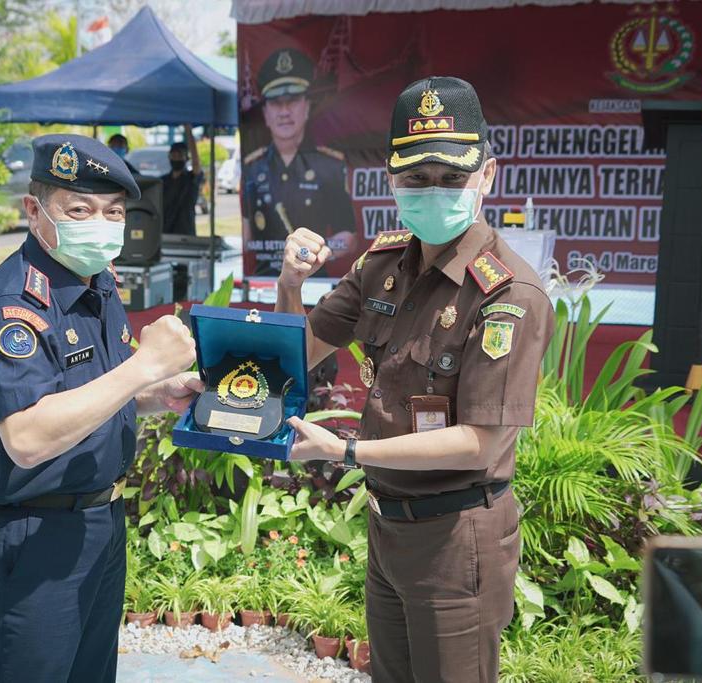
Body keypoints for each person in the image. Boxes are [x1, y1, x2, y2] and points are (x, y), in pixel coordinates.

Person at [276, 77, 555, 682]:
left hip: (456, 537)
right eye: (416, 180)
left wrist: (346, 449)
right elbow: (295, 353)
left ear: (487, 176)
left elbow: (483, 441)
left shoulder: (509, 293)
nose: (434, 194)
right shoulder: (382, 265)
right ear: (391, 179)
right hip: (388, 526)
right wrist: (290, 285)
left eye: (452, 179)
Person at [0, 134, 202, 683]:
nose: (100, 223)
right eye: (79, 209)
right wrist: (144, 367)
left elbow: (94, 389)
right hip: (36, 532)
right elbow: (27, 437)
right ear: (34, 210)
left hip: (101, 522)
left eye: (113, 212)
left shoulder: (96, 282)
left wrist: (158, 393)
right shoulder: (14, 306)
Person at [243, 48, 356, 276]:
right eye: (275, 103)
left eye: (292, 100)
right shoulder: (252, 168)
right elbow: (247, 236)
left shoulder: (331, 165)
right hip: (265, 282)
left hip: (313, 281)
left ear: (307, 107)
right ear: (265, 113)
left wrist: (312, 255)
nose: (284, 112)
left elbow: (348, 237)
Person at [160, 124, 203, 235]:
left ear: (186, 158)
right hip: (165, 232)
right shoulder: (163, 181)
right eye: (173, 155)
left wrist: (188, 130)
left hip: (186, 232)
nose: (176, 158)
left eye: (180, 155)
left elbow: (196, 163)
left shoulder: (191, 179)